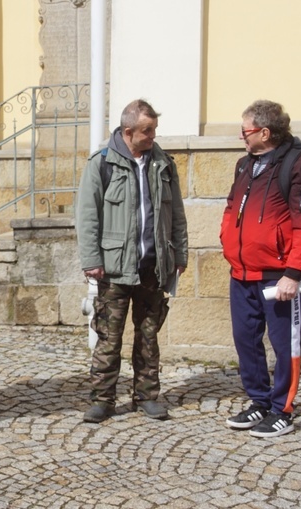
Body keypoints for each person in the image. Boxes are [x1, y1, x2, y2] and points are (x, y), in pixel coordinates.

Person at [75, 99, 188, 423]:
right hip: (113, 269)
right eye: (147, 130)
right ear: (128, 132)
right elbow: (87, 217)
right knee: (108, 340)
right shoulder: (102, 163)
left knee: (149, 336)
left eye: (153, 129)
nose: (153, 135)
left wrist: (180, 253)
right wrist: (91, 260)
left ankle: (148, 396)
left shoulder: (163, 163)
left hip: (153, 267)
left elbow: (175, 213)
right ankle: (102, 399)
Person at [221, 100, 301, 438]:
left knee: (285, 346)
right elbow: (230, 208)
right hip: (242, 273)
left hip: (278, 277)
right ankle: (259, 401)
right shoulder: (243, 165)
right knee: (245, 341)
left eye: (245, 131)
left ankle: (283, 408)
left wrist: (293, 274)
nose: (241, 137)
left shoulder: (299, 167)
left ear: (264, 133)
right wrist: (227, 241)